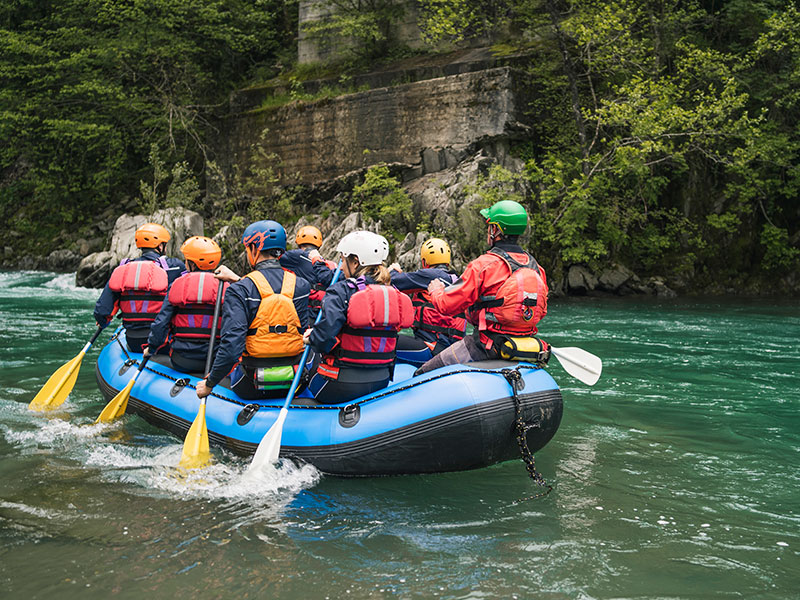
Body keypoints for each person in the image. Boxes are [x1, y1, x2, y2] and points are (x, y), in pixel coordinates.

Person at [415, 200, 550, 375]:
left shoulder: (483, 265)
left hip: (484, 347)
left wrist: (435, 291)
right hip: (524, 346)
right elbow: (542, 311)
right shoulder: (538, 269)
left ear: (495, 230)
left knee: (423, 373)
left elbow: (446, 305)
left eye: (490, 226)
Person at [196, 220, 311, 400]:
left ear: (254, 249)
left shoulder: (239, 290)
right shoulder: (302, 285)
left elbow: (231, 347)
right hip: (295, 380)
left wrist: (209, 383)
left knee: (231, 374)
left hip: (251, 383)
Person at [303, 231, 413, 404]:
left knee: (310, 359)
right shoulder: (394, 294)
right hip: (381, 381)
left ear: (355, 262)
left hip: (340, 385)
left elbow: (323, 339)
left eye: (342, 260)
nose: (340, 267)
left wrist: (312, 338)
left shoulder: (340, 291)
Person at [94, 223, 186, 352]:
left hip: (133, 341)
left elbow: (102, 310)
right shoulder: (175, 267)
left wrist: (103, 321)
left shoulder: (123, 269)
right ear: (160, 246)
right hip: (163, 342)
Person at [145, 236, 226, 374]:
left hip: (182, 360)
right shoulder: (227, 288)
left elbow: (161, 323)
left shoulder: (177, 285)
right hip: (214, 362)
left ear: (192, 264)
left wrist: (151, 348)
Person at [390, 238, 467, 365]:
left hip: (433, 349)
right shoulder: (455, 279)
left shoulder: (429, 276)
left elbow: (394, 281)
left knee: (383, 341)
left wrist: (394, 270)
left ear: (425, 261)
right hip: (452, 349)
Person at [279, 225, 336, 318]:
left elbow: (274, 256)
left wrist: (281, 239)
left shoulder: (297, 256)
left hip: (306, 312)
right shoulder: (324, 263)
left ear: (298, 242)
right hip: (323, 312)